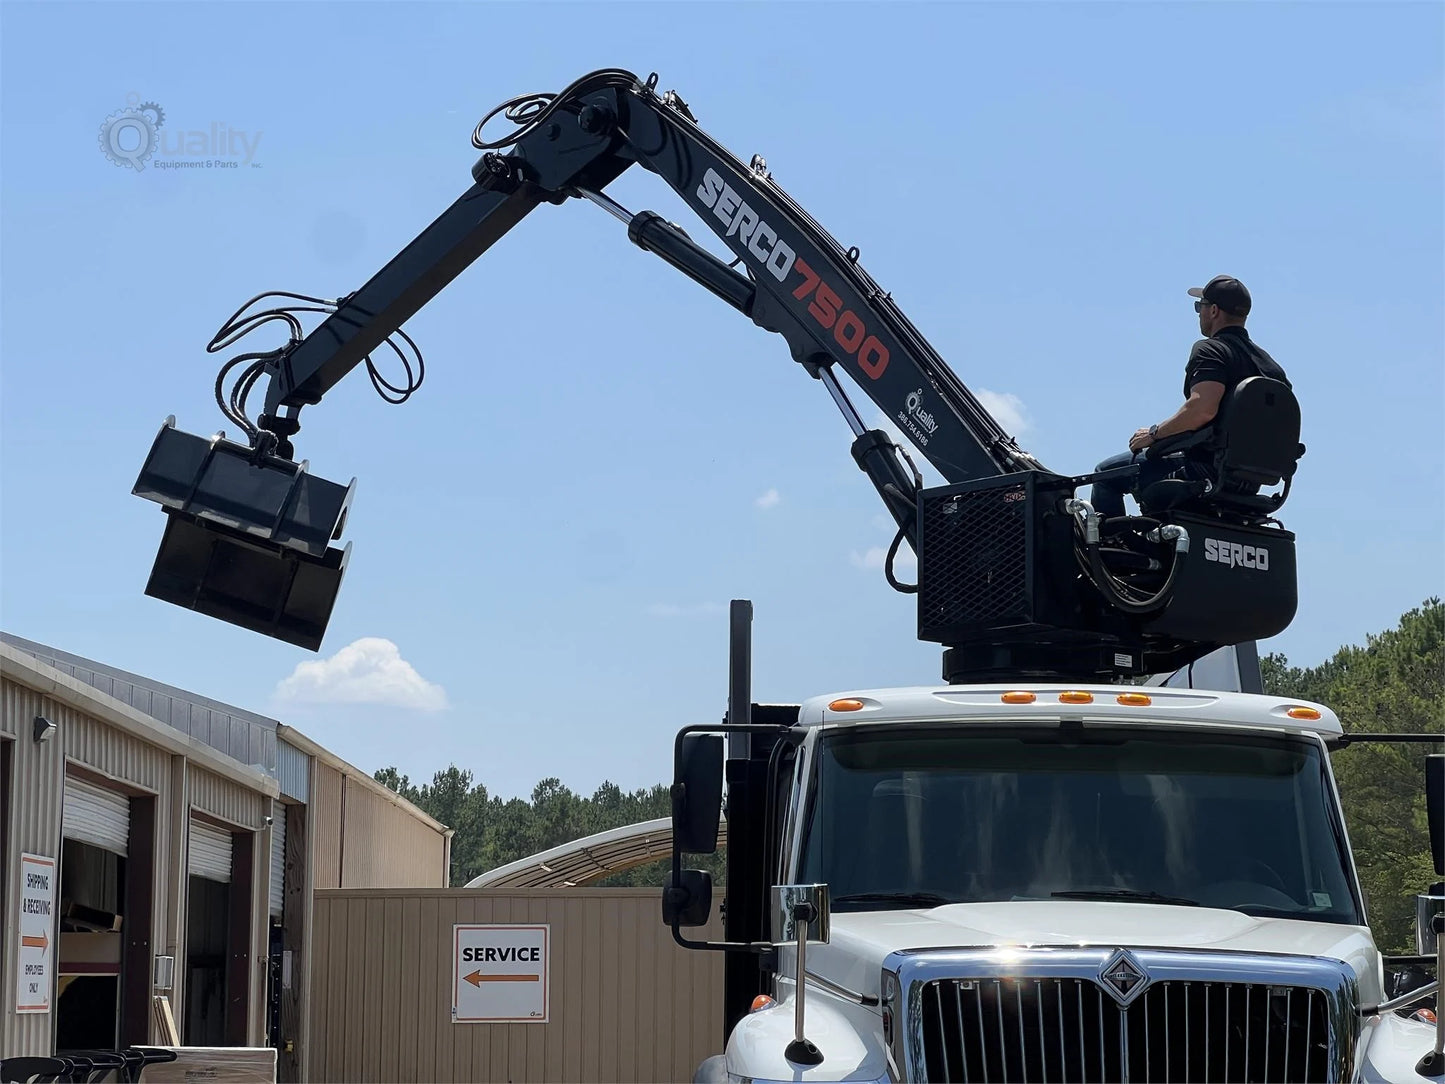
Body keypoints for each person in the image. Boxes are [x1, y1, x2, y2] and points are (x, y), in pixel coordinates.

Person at [1089, 275, 1291, 518]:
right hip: (1248, 485)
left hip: (1202, 472)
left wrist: (1153, 434)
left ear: (1214, 311)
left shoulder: (1211, 349)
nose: (1199, 313)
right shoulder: (1272, 369)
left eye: (1200, 307)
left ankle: (1115, 552)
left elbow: (1202, 409)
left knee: (1105, 475)